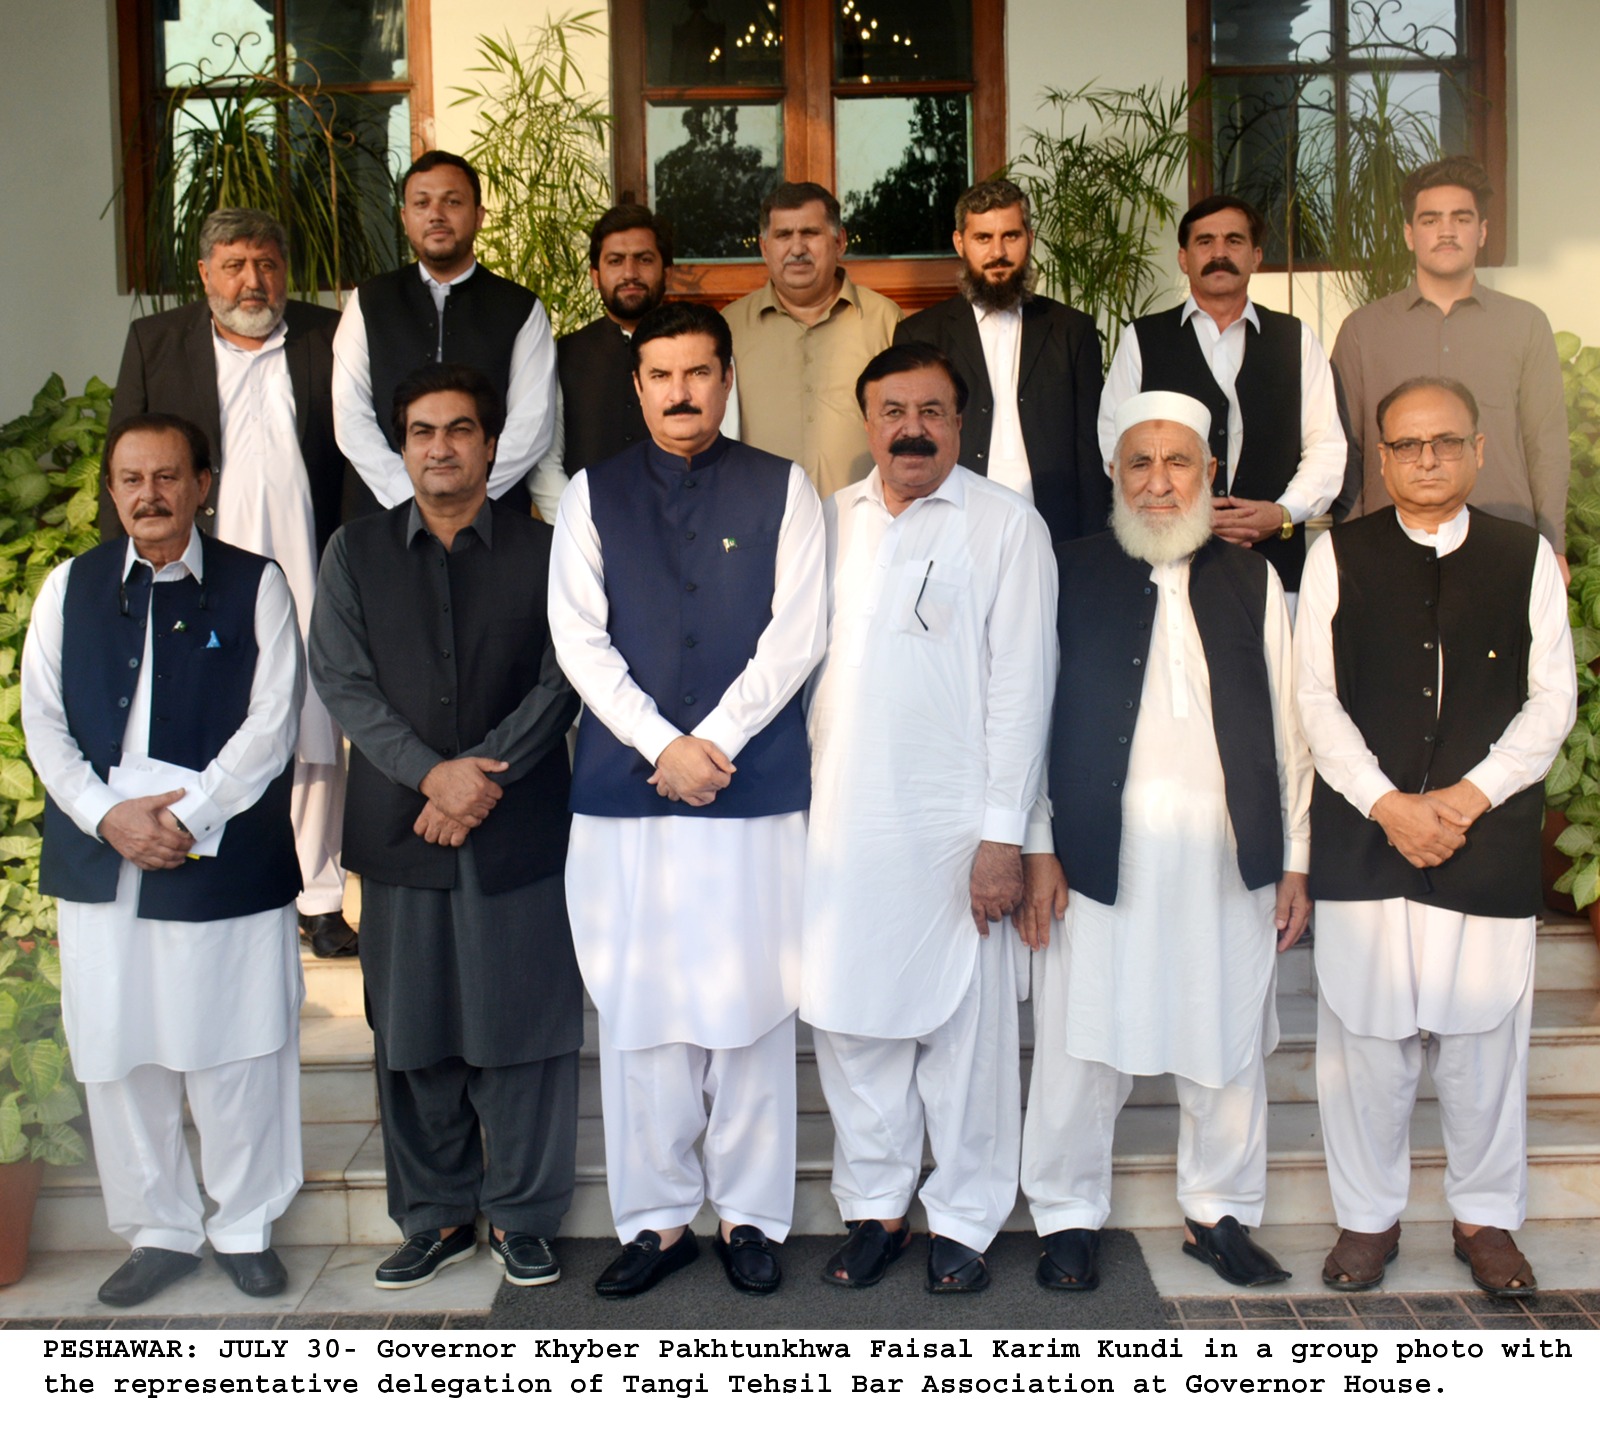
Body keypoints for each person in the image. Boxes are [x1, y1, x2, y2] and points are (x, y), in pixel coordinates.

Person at [549, 301, 827, 1298]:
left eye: (697, 372)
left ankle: (751, 1215)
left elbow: (797, 635)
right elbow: (579, 638)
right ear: (637, 386)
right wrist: (666, 743)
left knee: (751, 1008)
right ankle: (657, 1221)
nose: (680, 392)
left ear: (724, 375)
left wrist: (716, 740)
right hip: (630, 791)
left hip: (752, 790)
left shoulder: (784, 488)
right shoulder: (590, 494)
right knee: (644, 1012)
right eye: (660, 375)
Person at [1018, 390, 1310, 1294]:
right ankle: (1066, 1214)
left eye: (1177, 461)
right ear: (1114, 474)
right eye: (1138, 463)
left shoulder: (1254, 578)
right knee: (1079, 1042)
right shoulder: (1066, 568)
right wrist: (1036, 846)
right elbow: (1025, 718)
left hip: (1228, 856)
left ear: (1210, 474)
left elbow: (1290, 726)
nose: (1157, 481)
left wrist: (1297, 857)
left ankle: (1218, 1212)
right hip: (1099, 852)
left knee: (1224, 1037)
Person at [1297, 376, 1574, 1298]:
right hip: (1368, 839)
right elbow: (1313, 699)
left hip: (1483, 837)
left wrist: (1465, 798)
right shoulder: (1338, 556)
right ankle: (1367, 1222)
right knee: (1366, 1048)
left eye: (1444, 443)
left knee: (1486, 1045)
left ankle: (1485, 1219)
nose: (1426, 460)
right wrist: (1388, 804)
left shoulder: (1525, 555)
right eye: (1408, 446)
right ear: (1380, 459)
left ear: (1478, 449)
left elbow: (1552, 701)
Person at [309, 364, 582, 1291]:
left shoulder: (546, 553)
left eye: (460, 429)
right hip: (402, 828)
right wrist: (433, 775)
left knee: (526, 1031)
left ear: (492, 443)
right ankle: (435, 1217)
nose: (441, 447)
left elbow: (564, 679)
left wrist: (476, 781)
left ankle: (523, 1217)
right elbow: (342, 680)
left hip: (517, 829)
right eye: (423, 430)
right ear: (401, 445)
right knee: (414, 1030)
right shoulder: (354, 552)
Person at [22, 414, 305, 1307]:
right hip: (103, 858)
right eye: (132, 479)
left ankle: (245, 1223)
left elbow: (272, 722)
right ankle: (159, 1230)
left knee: (238, 1051)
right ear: (113, 490)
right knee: (120, 1052)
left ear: (202, 484)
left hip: (223, 854)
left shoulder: (257, 585)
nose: (149, 495)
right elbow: (44, 725)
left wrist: (190, 816)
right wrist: (110, 818)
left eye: (168, 477)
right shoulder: (68, 589)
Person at [801, 342, 1057, 1294]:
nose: (912, 428)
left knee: (966, 1041)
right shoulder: (828, 524)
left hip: (959, 834)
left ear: (961, 423)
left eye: (934, 411)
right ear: (867, 424)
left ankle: (964, 1218)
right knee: (854, 1028)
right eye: (894, 411)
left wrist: (1005, 838)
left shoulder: (1005, 526)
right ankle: (876, 1209)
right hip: (841, 825)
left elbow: (1024, 688)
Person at [107, 207, 357, 959]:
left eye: (268, 264)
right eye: (236, 264)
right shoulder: (159, 341)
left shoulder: (328, 334)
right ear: (206, 273)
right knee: (212, 717)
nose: (254, 280)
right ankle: (212, 869)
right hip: (200, 564)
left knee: (314, 723)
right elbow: (125, 453)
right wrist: (124, 576)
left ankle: (318, 896)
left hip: (309, 558)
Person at [1099, 195, 1347, 603]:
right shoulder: (1142, 339)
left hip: (1274, 567)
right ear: (1183, 258)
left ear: (1256, 256)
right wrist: (1174, 504)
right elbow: (1115, 438)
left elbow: (1327, 446)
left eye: (1233, 241)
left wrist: (1283, 512)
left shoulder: (1295, 339)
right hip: (1169, 562)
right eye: (1205, 242)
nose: (1219, 253)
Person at [1330, 156, 1570, 577]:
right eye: (1429, 220)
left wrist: (1552, 546)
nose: (1446, 231)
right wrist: (1350, 545)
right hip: (1389, 548)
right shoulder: (1362, 331)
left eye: (1461, 218)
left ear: (1481, 232)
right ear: (1409, 234)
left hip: (1504, 543)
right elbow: (1346, 448)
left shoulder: (1525, 324)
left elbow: (1546, 445)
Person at [333, 150, 556, 515]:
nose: (436, 215)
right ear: (405, 218)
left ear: (479, 215)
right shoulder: (369, 301)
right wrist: (411, 497)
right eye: (422, 203)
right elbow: (350, 414)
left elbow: (532, 424)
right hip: (382, 513)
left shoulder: (520, 308)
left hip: (491, 519)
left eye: (452, 201)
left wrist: (468, 497)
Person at [894, 178, 1106, 544]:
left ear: (1030, 238)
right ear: (960, 243)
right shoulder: (920, 334)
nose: (998, 252)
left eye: (1010, 236)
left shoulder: (1073, 330)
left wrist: (1093, 542)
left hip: (1055, 528)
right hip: (955, 527)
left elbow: (1091, 450)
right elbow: (913, 443)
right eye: (983, 238)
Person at [723, 182, 903, 499]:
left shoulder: (885, 321)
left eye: (810, 233)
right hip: (763, 522)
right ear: (765, 248)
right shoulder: (730, 327)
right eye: (783, 236)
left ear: (839, 241)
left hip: (866, 522)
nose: (797, 249)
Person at [528, 205, 673, 520]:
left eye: (644, 259)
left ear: (667, 272)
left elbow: (720, 440)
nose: (630, 273)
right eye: (615, 261)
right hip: (584, 533)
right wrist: (582, 527)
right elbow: (545, 463)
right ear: (595, 275)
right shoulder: (562, 353)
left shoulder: (694, 350)